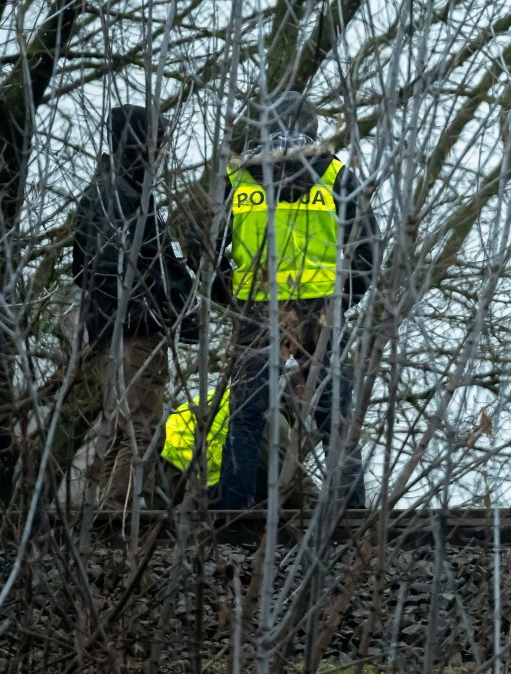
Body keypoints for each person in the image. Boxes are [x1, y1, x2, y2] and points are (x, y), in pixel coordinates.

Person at [215, 91, 377, 509]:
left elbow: (209, 254)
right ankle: (350, 510)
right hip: (320, 309)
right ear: (311, 127)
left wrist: (232, 300)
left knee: (247, 415)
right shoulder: (336, 175)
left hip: (257, 308)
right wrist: (342, 301)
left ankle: (233, 510)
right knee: (334, 417)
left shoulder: (237, 179)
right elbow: (368, 253)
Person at [55, 103, 194, 509]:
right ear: (142, 145)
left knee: (120, 426)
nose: (164, 154)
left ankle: (107, 511)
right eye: (159, 144)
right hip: (135, 331)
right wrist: (174, 310)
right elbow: (147, 265)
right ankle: (118, 515)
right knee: (141, 425)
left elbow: (81, 268)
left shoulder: (100, 192)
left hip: (105, 332)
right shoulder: (128, 197)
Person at [160, 389, 319, 507]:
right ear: (299, 390)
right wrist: (319, 507)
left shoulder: (248, 395)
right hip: (188, 479)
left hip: (165, 474)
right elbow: (289, 473)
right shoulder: (268, 414)